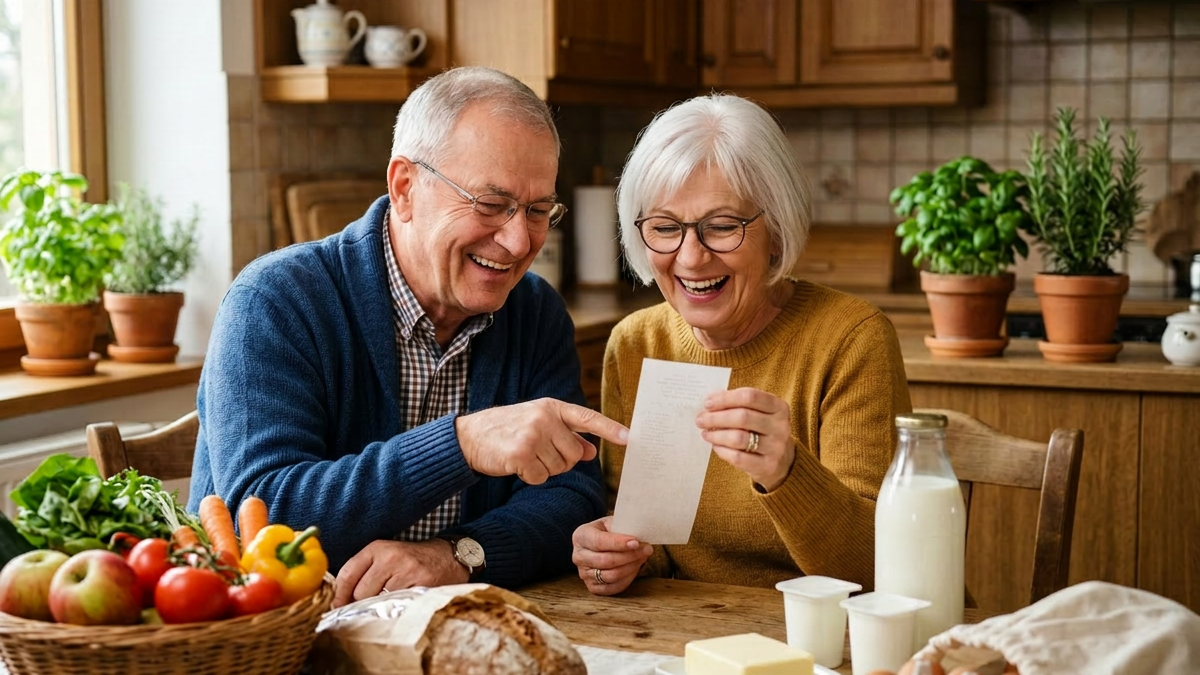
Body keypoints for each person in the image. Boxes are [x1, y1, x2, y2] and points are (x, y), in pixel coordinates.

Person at [188, 66, 629, 608]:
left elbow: (571, 495)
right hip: (280, 639)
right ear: (405, 188)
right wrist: (462, 444)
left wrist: (458, 554)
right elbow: (261, 515)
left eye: (538, 211)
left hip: (456, 631)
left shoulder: (534, 312)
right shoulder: (275, 300)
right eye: (491, 205)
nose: (518, 242)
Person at [571, 94, 912, 595]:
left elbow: (880, 570)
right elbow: (650, 548)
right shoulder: (636, 344)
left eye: (723, 227)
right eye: (665, 228)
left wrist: (787, 472)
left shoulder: (851, 340)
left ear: (775, 230)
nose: (691, 257)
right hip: (686, 640)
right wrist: (610, 553)